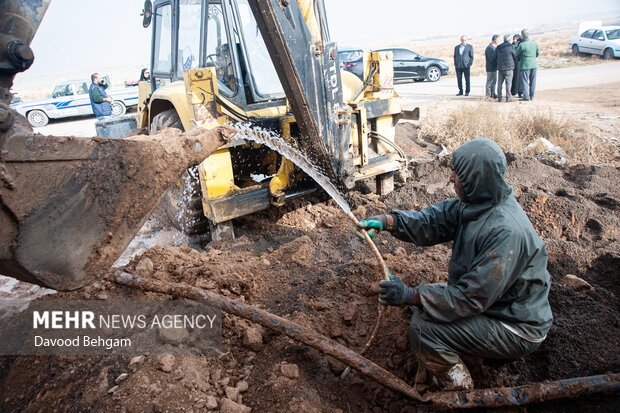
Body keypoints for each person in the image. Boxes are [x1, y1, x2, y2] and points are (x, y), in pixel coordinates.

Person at [357, 138, 553, 390]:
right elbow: (432, 222)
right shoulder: (476, 204)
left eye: (457, 173)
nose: (451, 178)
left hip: (516, 325)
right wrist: (388, 221)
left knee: (424, 330)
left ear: (475, 179)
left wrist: (411, 295)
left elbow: (470, 298)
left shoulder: (506, 232)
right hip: (495, 305)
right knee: (425, 307)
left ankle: (459, 388)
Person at [516, 29, 539, 101]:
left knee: (525, 81)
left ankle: (526, 96)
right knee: (533, 81)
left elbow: (517, 54)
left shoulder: (522, 45)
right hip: (534, 64)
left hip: (525, 65)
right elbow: (537, 53)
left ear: (522, 36)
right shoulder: (534, 43)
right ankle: (532, 96)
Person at [496, 34, 517, 102]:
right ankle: (508, 98)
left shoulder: (498, 47)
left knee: (499, 83)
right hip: (509, 68)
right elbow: (515, 56)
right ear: (509, 40)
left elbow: (495, 57)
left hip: (500, 68)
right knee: (508, 83)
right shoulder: (511, 47)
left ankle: (499, 97)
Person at [484, 35, 499, 100]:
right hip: (490, 68)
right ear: (495, 40)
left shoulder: (493, 47)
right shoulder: (489, 48)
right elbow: (491, 58)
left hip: (494, 67)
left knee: (494, 81)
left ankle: (493, 93)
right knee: (489, 82)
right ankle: (488, 95)